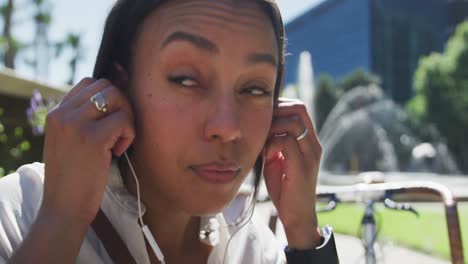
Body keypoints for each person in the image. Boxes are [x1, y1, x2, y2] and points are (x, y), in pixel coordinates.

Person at [0, 0, 339, 263]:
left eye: (254, 88)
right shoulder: (19, 214)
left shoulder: (252, 250)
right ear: (119, 85)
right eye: (186, 80)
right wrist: (61, 221)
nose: (228, 127)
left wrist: (304, 234)